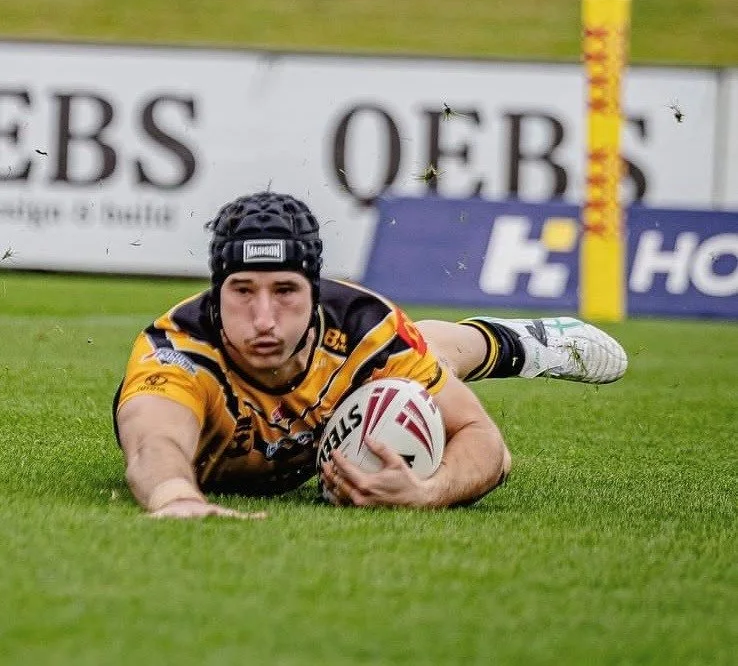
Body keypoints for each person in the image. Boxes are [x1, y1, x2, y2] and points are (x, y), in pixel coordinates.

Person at [114, 190, 627, 518]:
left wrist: (430, 491)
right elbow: (154, 443)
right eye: (243, 291)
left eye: (286, 291)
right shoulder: (177, 353)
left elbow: (486, 444)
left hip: (345, 385)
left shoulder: (365, 328)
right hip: (316, 408)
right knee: (419, 363)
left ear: (316, 292)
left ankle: (520, 343)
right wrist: (176, 497)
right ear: (216, 292)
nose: (264, 318)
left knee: (429, 364)